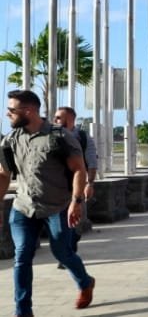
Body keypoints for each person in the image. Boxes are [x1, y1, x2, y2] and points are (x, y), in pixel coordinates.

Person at [0, 90, 96, 316]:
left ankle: (85, 282)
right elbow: (4, 174)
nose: (7, 114)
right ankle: (23, 311)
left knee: (62, 253)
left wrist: (76, 201)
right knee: (22, 256)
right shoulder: (10, 140)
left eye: (11, 110)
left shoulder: (60, 137)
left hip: (58, 208)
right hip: (23, 207)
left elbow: (78, 170)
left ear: (28, 111)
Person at [53, 106, 98, 264]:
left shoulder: (83, 138)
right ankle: (66, 255)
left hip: (76, 187)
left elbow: (92, 162)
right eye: (55, 117)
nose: (55, 120)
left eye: (59, 117)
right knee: (61, 224)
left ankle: (68, 251)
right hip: (55, 188)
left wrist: (90, 184)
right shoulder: (52, 135)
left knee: (74, 223)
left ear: (70, 119)